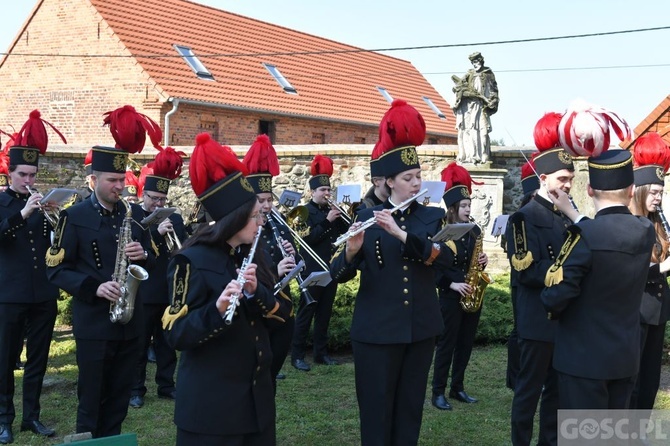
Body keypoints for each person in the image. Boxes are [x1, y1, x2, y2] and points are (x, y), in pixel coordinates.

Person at [331, 99, 452, 446]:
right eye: (408, 178)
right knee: (376, 411)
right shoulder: (364, 219)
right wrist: (351, 252)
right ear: (388, 182)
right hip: (375, 334)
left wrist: (402, 235)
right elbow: (338, 276)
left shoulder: (430, 218)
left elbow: (443, 260)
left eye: (418, 176)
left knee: (409, 409)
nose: (416, 184)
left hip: (420, 330)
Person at [161, 132, 291, 445]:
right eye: (254, 216)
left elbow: (284, 313)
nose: (261, 222)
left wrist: (256, 291)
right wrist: (217, 310)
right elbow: (176, 333)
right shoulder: (189, 261)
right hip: (212, 411)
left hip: (256, 404)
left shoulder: (255, 254)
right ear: (232, 221)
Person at [46, 105, 160, 438]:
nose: (119, 187)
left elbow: (152, 260)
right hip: (95, 323)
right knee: (92, 398)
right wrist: (93, 287)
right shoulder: (74, 216)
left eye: (122, 180)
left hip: (130, 322)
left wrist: (142, 257)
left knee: (120, 399)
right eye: (111, 180)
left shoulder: (133, 215)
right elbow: (56, 271)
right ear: (92, 179)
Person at [541, 149, 655, 409]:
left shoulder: (583, 235)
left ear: (590, 190)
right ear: (631, 190)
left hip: (583, 361)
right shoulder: (645, 230)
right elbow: (612, 232)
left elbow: (555, 297)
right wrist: (577, 217)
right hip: (625, 358)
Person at [505, 112, 576, 446]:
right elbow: (527, 270)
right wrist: (566, 270)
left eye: (570, 179)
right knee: (528, 395)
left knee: (557, 396)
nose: (566, 185)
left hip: (565, 321)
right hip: (535, 322)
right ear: (543, 177)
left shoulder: (566, 216)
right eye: (561, 179)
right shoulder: (523, 217)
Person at [0, 111, 66, 444]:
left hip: (43, 293)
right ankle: (4, 420)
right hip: (9, 294)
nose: (29, 180)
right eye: (23, 174)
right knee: (4, 359)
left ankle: (32, 417)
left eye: (33, 174)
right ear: (9, 173)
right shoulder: (1, 202)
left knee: (38, 358)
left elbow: (56, 247)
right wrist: (22, 214)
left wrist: (56, 222)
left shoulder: (41, 204)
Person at [129, 146, 186, 409]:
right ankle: (136, 389)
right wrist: (156, 234)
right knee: (139, 343)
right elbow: (135, 248)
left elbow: (182, 249)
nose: (159, 204)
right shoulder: (134, 217)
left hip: (167, 287)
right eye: (154, 198)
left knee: (166, 343)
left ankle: (166, 385)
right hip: (143, 289)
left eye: (163, 199)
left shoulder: (174, 216)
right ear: (143, 194)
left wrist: (173, 237)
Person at [431, 162, 488, 411]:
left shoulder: (474, 230)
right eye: (464, 206)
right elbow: (431, 268)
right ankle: (438, 392)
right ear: (452, 208)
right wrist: (452, 284)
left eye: (469, 205)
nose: (468, 210)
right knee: (447, 344)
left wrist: (483, 262)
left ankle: (458, 387)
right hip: (450, 295)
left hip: (472, 293)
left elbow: (474, 259)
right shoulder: (439, 229)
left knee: (465, 344)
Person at [243, 134, 297, 385]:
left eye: (269, 200)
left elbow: (289, 250)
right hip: (259, 305)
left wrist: (291, 254)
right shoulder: (244, 229)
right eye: (261, 201)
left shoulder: (278, 223)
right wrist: (275, 269)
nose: (266, 206)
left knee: (272, 367)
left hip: (282, 300)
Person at [290, 154, 348, 372]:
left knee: (325, 312)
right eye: (323, 190)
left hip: (330, 267)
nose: (327, 193)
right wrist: (327, 221)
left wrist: (342, 216)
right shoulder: (304, 211)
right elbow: (307, 239)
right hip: (312, 268)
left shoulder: (331, 211)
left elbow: (344, 232)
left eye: (328, 190)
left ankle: (320, 354)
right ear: (312, 192)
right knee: (307, 311)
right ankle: (297, 355)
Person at [628, 132, 670, 410]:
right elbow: (631, 269)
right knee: (633, 378)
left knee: (651, 379)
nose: (658, 198)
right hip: (636, 309)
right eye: (654, 192)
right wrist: (665, 267)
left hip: (658, 308)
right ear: (640, 190)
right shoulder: (628, 222)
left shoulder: (657, 220)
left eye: (662, 192)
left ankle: (639, 432)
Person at [452, 52, 499, 164]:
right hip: (469, 108)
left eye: (476, 61)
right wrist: (463, 92)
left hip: (482, 107)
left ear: (481, 60)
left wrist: (492, 101)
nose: (475, 64)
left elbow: (494, 90)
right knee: (470, 130)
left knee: (483, 132)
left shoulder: (488, 73)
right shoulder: (469, 74)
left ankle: (483, 154)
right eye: (473, 62)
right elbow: (458, 87)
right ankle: (472, 155)